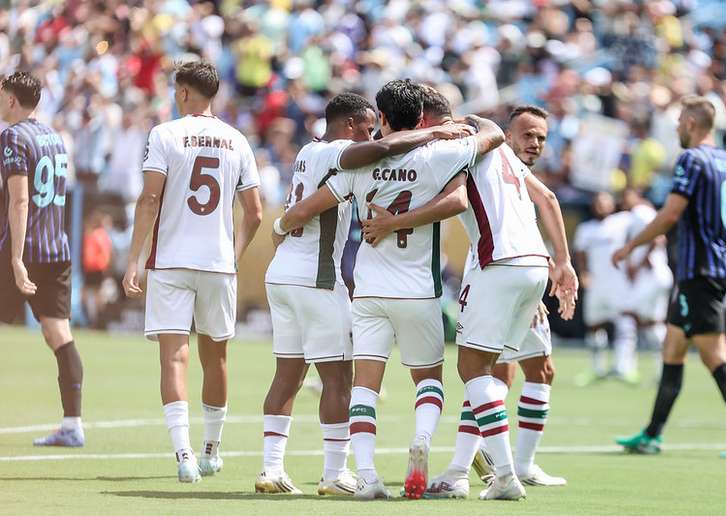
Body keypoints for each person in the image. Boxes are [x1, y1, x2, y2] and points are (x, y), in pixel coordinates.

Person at [274, 79, 503, 500]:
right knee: (428, 379)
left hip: (368, 291)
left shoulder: (360, 163)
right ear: (421, 119)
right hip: (418, 289)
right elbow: (494, 136)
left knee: (364, 385)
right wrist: (464, 123)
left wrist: (281, 226)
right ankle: (421, 439)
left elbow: (310, 206)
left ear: (381, 117)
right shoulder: (442, 154)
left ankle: (366, 475)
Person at [361, 95, 577, 499]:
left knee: (475, 369)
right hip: (534, 264)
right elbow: (547, 198)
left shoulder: (456, 146)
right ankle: (467, 468)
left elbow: (456, 200)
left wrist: (395, 222)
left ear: (426, 121)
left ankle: (501, 475)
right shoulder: (500, 149)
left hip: (498, 264)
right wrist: (562, 263)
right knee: (492, 371)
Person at [122, 61, 263, 482]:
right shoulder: (237, 140)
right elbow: (254, 212)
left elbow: (150, 199)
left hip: (171, 260)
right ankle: (210, 451)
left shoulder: (164, 134)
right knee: (216, 357)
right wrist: (234, 255)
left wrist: (133, 260)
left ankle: (183, 456)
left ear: (183, 92)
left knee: (174, 356)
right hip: (218, 263)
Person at [613, 95, 726, 458]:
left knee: (715, 355)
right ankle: (652, 434)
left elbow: (671, 214)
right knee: (673, 348)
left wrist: (631, 246)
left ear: (690, 123)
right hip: (716, 270)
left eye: (678, 123)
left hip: (699, 271)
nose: (676, 129)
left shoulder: (691, 159)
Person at [0, 71, 85, 447]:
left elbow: (20, 200)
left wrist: (16, 259)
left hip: (23, 250)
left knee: (57, 334)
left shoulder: (12, 137)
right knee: (58, 334)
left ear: (12, 100)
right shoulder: (55, 136)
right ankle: (73, 424)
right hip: (56, 250)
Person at [574, 191, 638, 385]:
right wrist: (583, 273)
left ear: (613, 204)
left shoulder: (623, 221)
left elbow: (645, 219)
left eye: (605, 202)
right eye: (598, 202)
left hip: (618, 282)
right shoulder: (586, 229)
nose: (601, 206)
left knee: (624, 323)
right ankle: (597, 368)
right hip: (596, 284)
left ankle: (624, 368)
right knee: (594, 326)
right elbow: (580, 253)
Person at [620, 188, 673, 356]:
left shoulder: (641, 211)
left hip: (652, 274)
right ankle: (665, 365)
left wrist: (639, 264)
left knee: (627, 313)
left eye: (627, 196)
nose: (624, 201)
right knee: (653, 323)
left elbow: (659, 237)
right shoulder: (639, 213)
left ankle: (623, 365)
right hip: (658, 275)